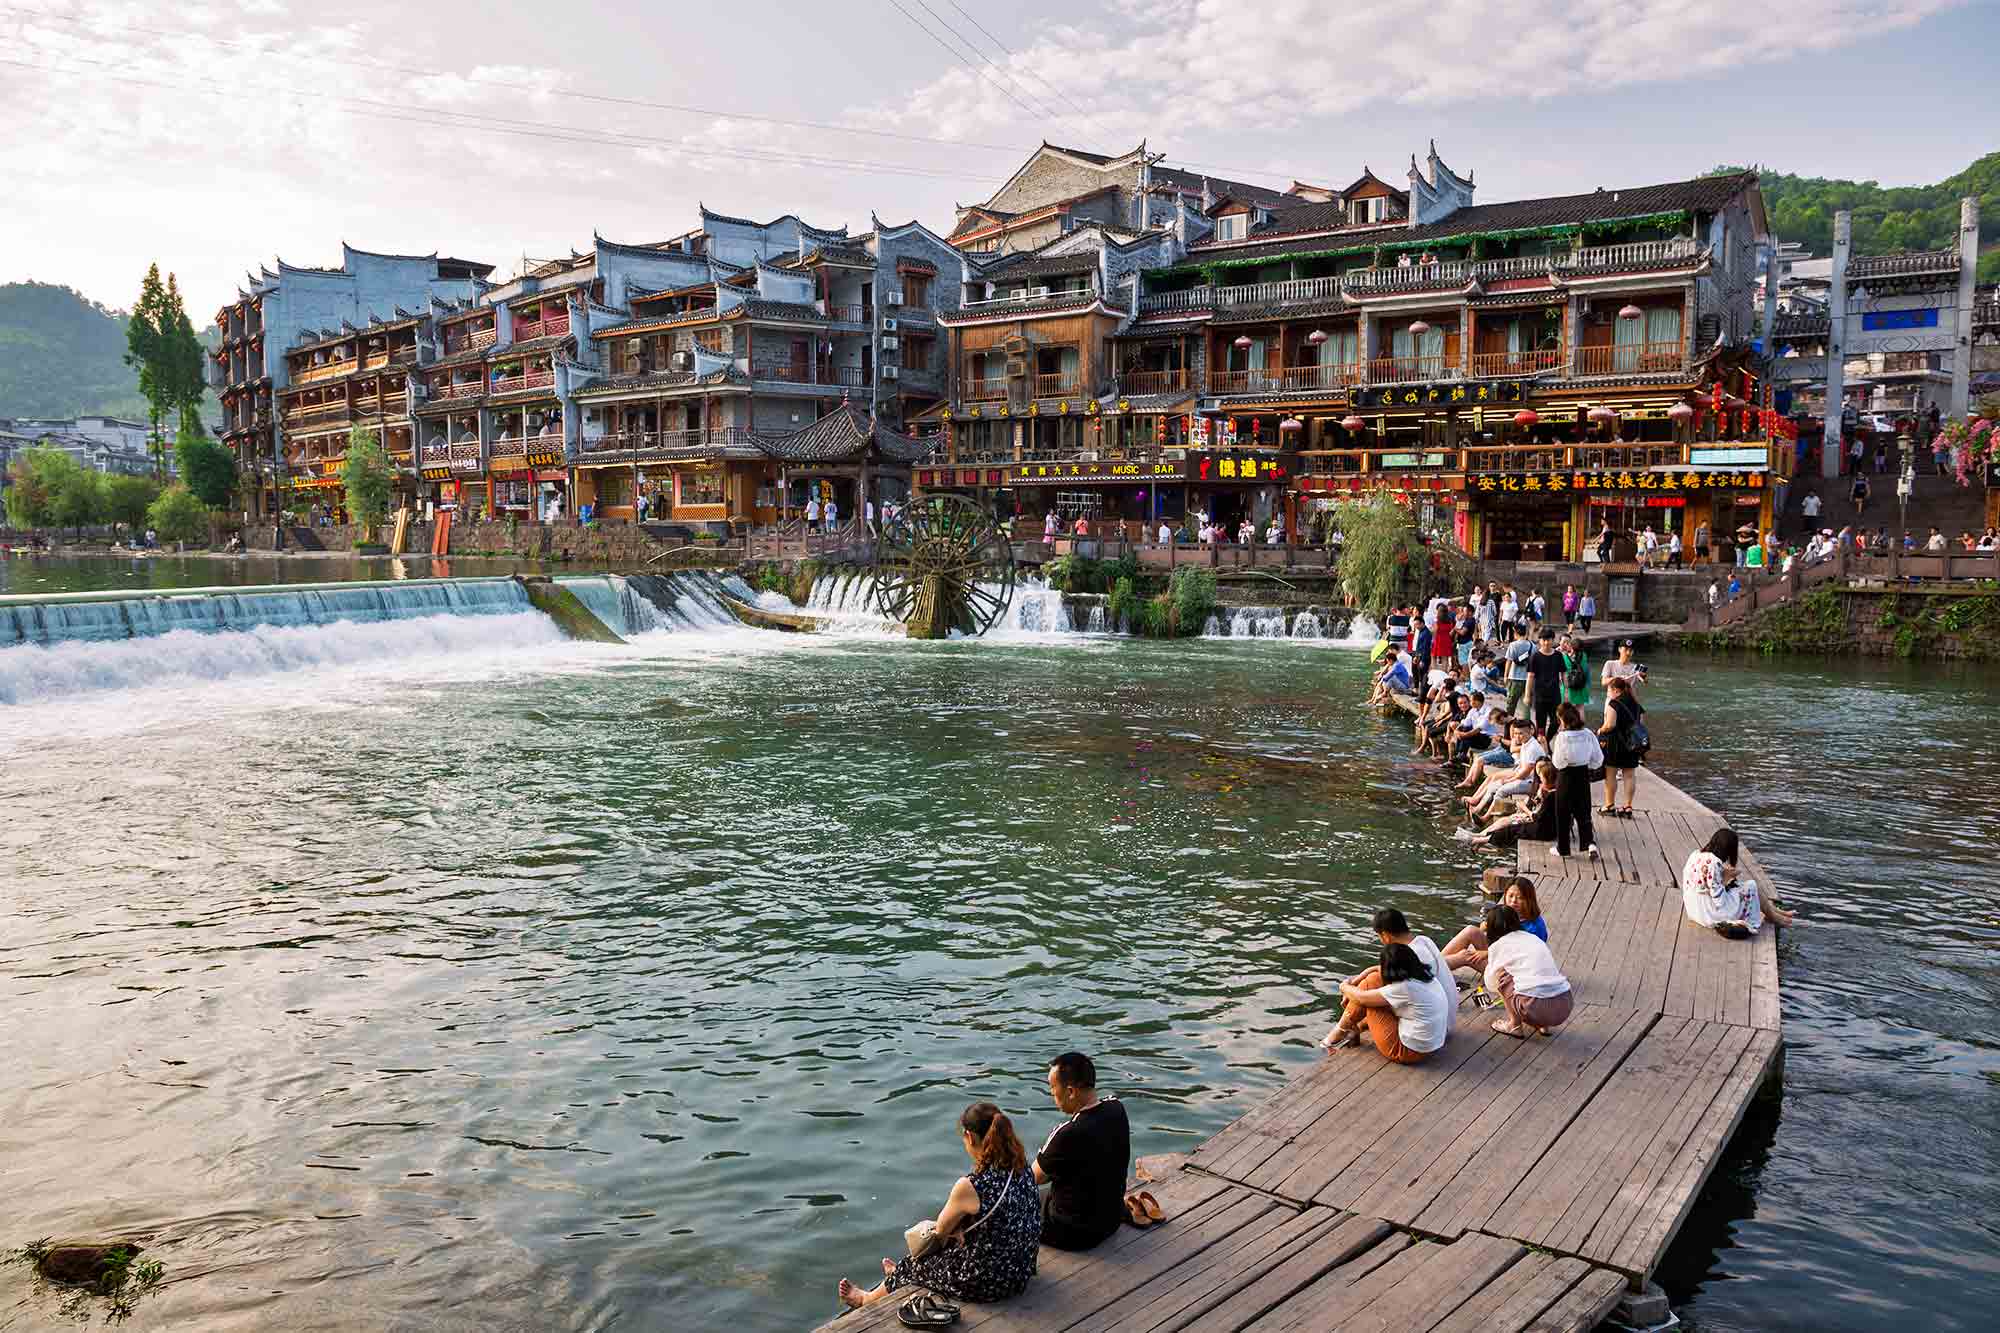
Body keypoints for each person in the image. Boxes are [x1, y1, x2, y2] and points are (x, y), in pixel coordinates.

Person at [835, 1102, 1041, 1311]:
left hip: (991, 1284)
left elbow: (940, 1232)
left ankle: (867, 1298)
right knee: (954, 1243)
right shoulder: (1022, 1166)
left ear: (969, 1137)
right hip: (1020, 1271)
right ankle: (900, 1276)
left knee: (918, 1259)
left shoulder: (971, 1186)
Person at [1034, 1053, 1130, 1250]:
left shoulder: (1067, 1133)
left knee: (1015, 1204)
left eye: (1053, 1088)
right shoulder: (1117, 1108)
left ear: (1070, 1091)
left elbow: (1032, 1178)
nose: (1052, 1094)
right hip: (1111, 1221)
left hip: (1073, 1233)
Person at [1324, 941, 1452, 1064]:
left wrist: (1344, 987)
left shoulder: (1404, 988)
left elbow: (1361, 998)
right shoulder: (1424, 974)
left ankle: (1338, 1033)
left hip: (1406, 1051)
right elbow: (1376, 970)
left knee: (1368, 987)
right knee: (1372, 980)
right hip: (1431, 1044)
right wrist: (1359, 979)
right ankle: (1350, 1028)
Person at [1681, 827, 1796, 936]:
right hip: (1709, 913)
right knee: (1751, 886)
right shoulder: (1714, 864)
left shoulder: (1696, 854)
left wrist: (1722, 875)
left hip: (1694, 909)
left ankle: (1774, 912)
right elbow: (1720, 902)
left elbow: (1703, 883)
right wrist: (1727, 878)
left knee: (1743, 887)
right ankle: (1775, 917)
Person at [1482, 905, 1573, 1038]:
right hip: (1565, 1003)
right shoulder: (1533, 938)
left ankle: (1514, 1026)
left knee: (1501, 977)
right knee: (1533, 978)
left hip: (1537, 1007)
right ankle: (1543, 1025)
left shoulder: (1499, 944)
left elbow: (1490, 982)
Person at [1443, 877, 1548, 971]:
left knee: (1466, 956)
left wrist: (1488, 953)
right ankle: (1437, 961)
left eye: (1520, 898)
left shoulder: (1535, 927)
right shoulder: (1506, 913)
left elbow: (1522, 955)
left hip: (1514, 971)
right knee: (1471, 931)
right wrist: (1486, 926)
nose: (1513, 901)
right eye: (1510, 896)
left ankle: (1436, 968)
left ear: (1529, 900)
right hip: (1500, 957)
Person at [1548, 703, 1602, 860]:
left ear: (1562, 720)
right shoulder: (1588, 734)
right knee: (1584, 810)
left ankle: (1563, 848)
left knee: (1563, 812)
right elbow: (1598, 759)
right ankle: (1590, 843)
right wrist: (1587, 765)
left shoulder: (1562, 737)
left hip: (1566, 775)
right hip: (1583, 774)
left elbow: (1558, 762)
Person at [1598, 674, 1645, 818]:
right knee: (1629, 775)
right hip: (1632, 744)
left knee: (1610, 774)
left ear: (1616, 690)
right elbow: (1640, 725)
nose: (1608, 693)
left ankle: (1609, 805)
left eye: (1609, 690)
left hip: (1615, 744)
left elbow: (1610, 725)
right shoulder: (1637, 706)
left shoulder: (1614, 704)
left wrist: (1600, 730)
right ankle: (1628, 807)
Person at [1526, 628, 1566, 740]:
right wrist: (1527, 695)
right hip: (1539, 695)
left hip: (1555, 694)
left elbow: (1563, 674)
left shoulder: (1558, 655)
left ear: (1553, 640)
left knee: (1557, 721)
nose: (1546, 642)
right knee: (1540, 723)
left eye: (1549, 640)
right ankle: (1542, 744)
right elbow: (1530, 676)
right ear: (1540, 641)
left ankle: (1547, 740)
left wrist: (1566, 691)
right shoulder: (1535, 656)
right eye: (1544, 640)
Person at [1503, 622, 1534, 720]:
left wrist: (1505, 676)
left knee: (1511, 705)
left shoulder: (1513, 645)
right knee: (1526, 704)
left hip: (1514, 678)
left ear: (1515, 633)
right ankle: (1526, 724)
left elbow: (1509, 661)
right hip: (1528, 679)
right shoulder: (1532, 645)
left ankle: (1508, 725)